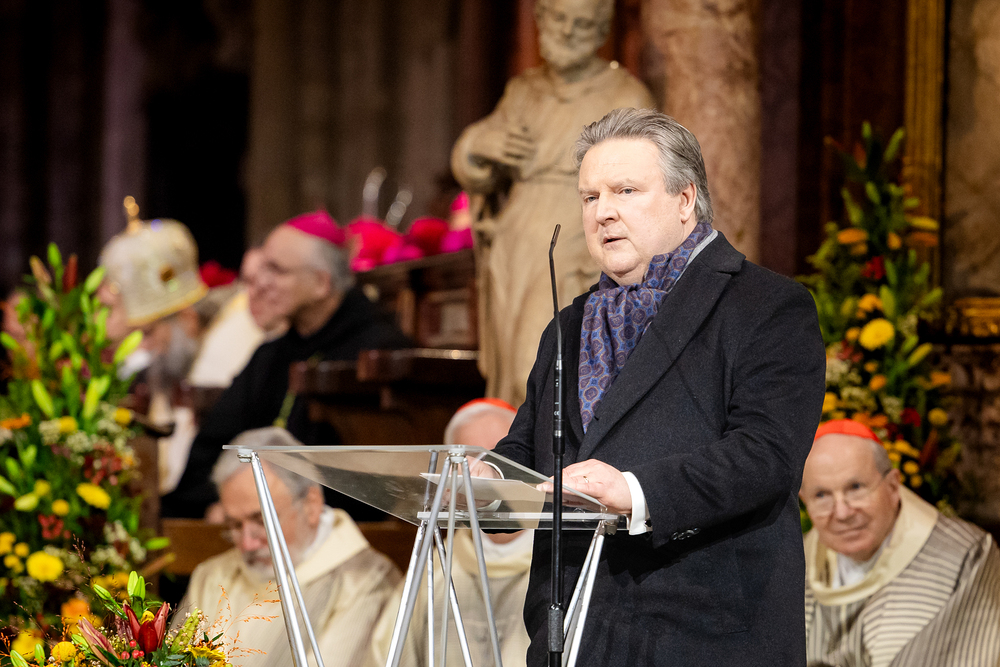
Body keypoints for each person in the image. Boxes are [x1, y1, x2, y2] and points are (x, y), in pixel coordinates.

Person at [478, 107, 826, 666]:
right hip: (572, 636)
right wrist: (490, 478)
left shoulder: (766, 306)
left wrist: (636, 492)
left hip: (704, 637)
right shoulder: (569, 323)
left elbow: (766, 455)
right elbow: (530, 445)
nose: (603, 212)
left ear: (686, 200)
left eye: (625, 191)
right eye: (590, 197)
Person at [451, 0, 654, 408]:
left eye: (581, 24)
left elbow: (645, 176)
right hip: (514, 247)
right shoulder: (524, 91)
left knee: (539, 360)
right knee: (511, 368)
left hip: (573, 239)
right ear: (541, 21)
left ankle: (543, 444)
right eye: (558, 19)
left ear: (601, 33)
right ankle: (514, 442)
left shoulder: (623, 93)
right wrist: (478, 146)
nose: (566, 32)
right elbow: (475, 165)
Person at [161, 211, 411, 519]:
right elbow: (212, 447)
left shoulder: (377, 353)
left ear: (321, 283)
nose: (260, 283)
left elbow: (367, 484)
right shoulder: (271, 355)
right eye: (262, 268)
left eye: (276, 270)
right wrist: (218, 502)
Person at [178, 427, 400, 667]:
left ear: (311, 505)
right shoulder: (211, 577)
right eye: (235, 525)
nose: (248, 544)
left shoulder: (364, 583)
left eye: (262, 521)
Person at [800, 419, 1000, 666]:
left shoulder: (964, 557)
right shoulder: (792, 565)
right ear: (805, 501)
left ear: (893, 486)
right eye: (821, 495)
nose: (842, 512)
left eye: (855, 487)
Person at [368, 399, 532, 667]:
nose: (482, 478)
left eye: (499, 460)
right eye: (469, 464)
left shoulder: (564, 564)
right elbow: (388, 656)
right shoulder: (433, 570)